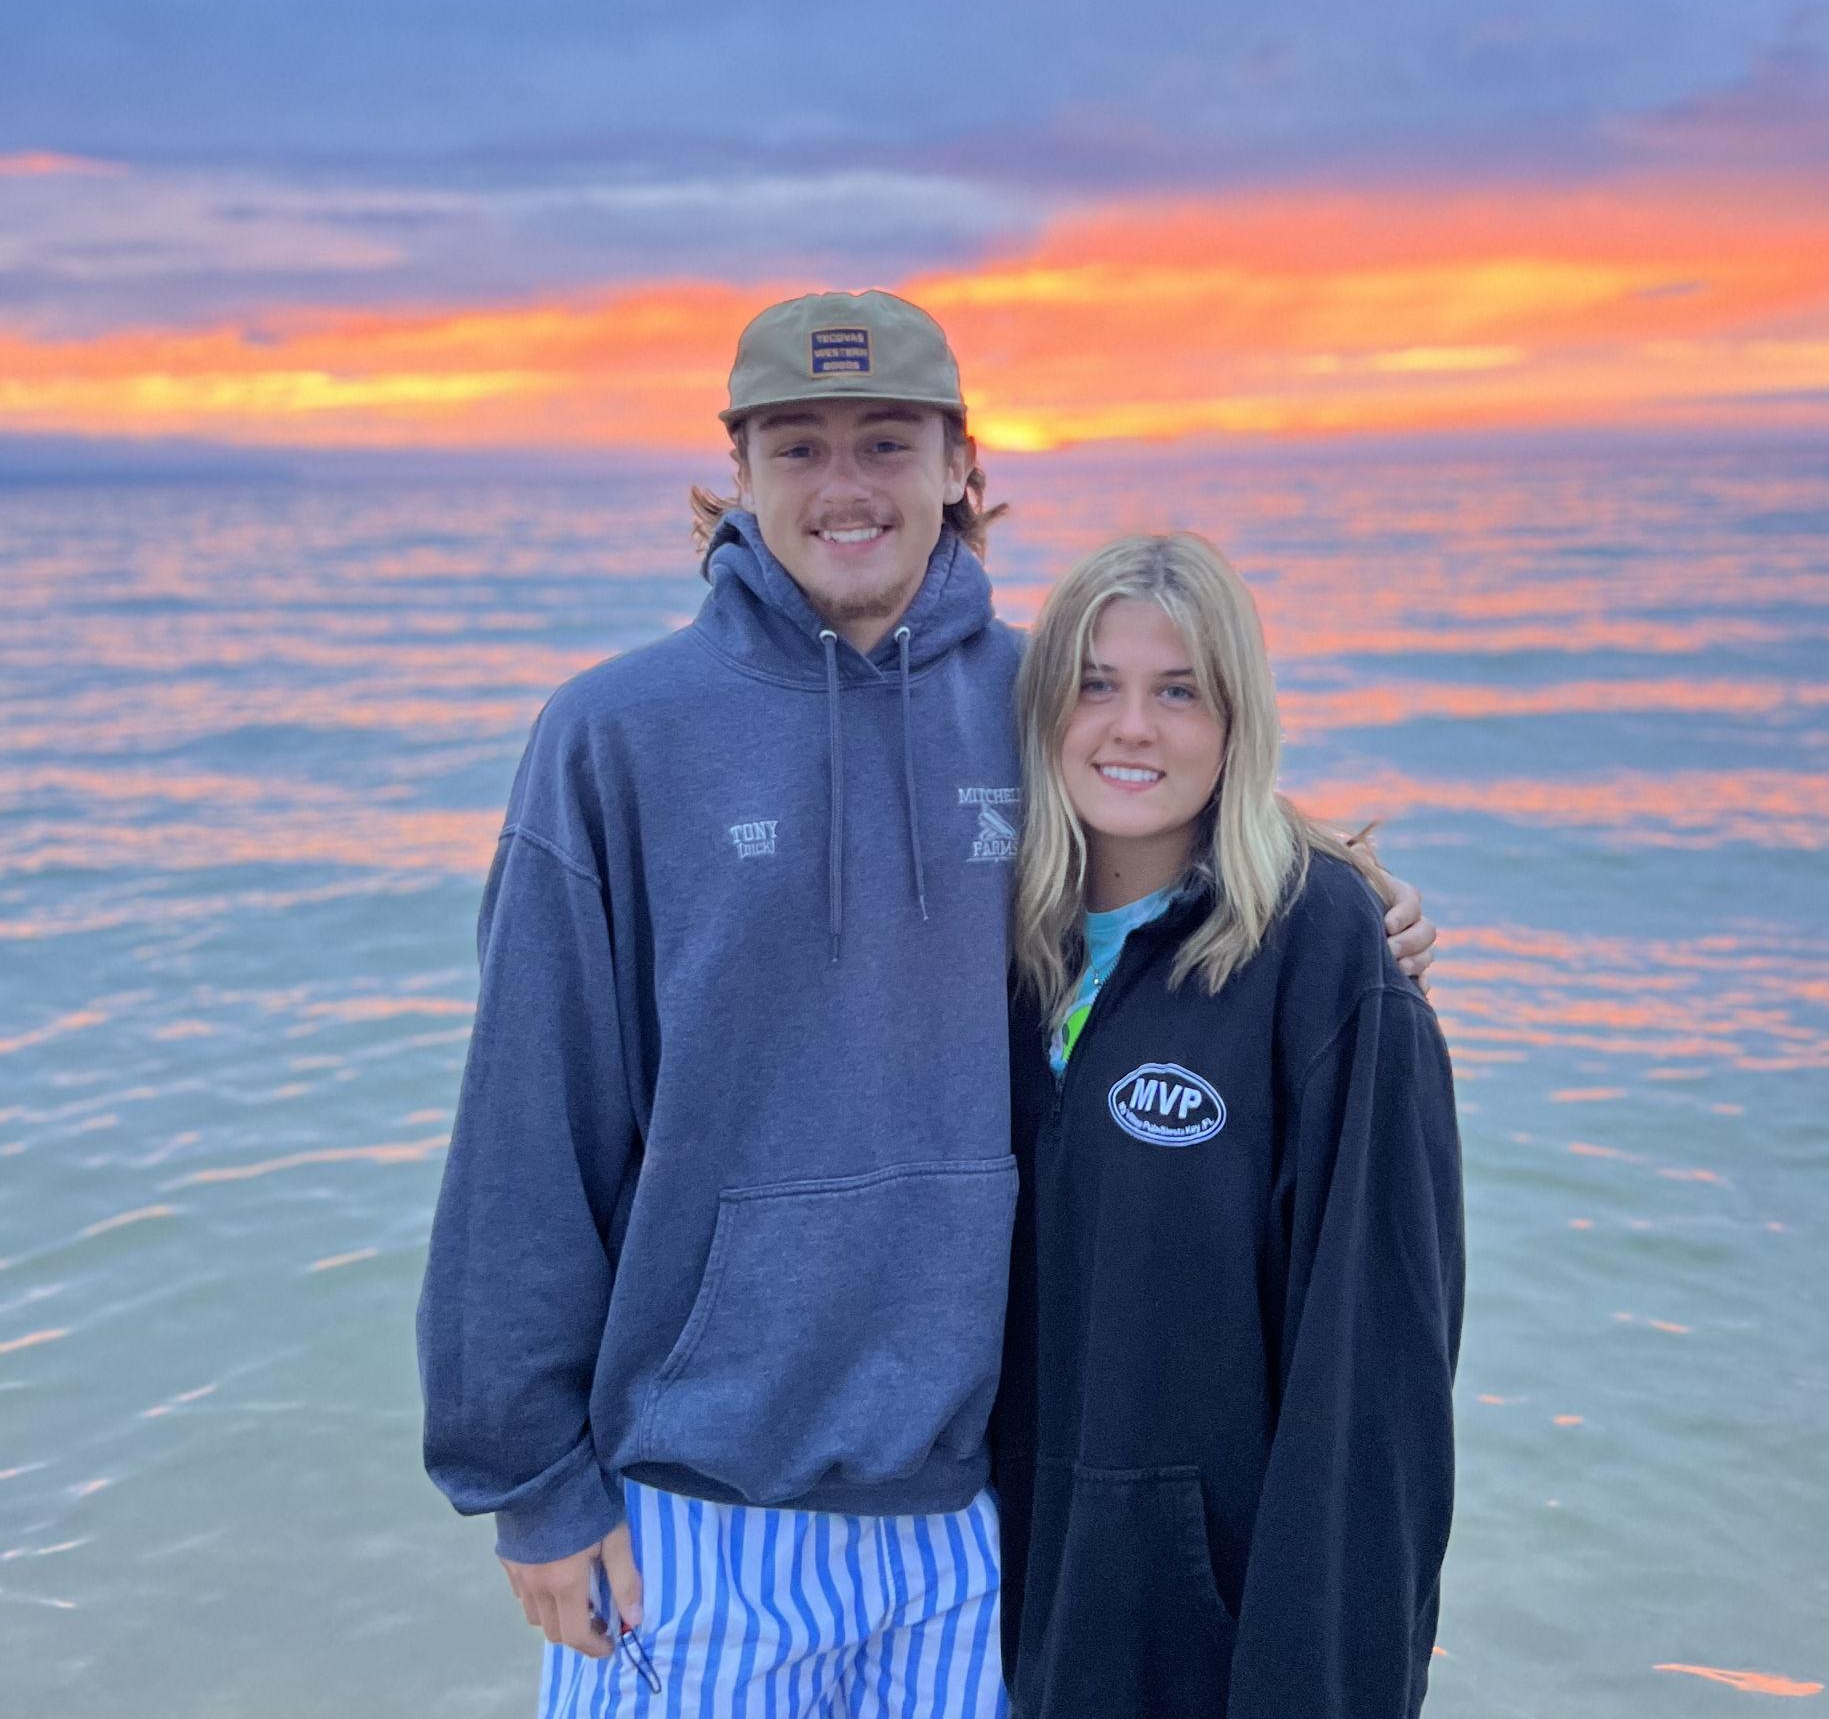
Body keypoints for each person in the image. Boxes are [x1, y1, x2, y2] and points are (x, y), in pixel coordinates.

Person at [414, 292, 1439, 1719]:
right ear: (739, 466)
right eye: (800, 446)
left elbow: (1175, 784)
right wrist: (528, 1481)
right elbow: (529, 1123)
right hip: (694, 1513)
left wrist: (1344, 884)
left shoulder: (1030, 699)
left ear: (960, 462)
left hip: (970, 1526)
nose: (846, 487)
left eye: (886, 443)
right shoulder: (615, 735)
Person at [994, 531, 1463, 1718]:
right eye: (1094, 684)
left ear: (1235, 719)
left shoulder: (1325, 954)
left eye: (1178, 690)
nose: (1130, 727)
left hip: (1202, 1640)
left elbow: (1373, 1379)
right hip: (991, 1610)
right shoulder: (995, 946)